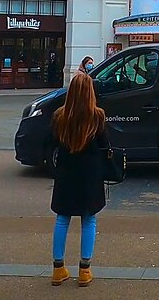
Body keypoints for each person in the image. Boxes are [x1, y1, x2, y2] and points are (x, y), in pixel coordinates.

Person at [48, 72, 109, 287]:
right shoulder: (98, 116)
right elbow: (105, 146)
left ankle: (58, 269)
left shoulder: (59, 116)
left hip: (66, 172)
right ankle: (84, 270)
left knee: (62, 219)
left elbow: (52, 143)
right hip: (90, 174)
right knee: (89, 219)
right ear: (90, 92)